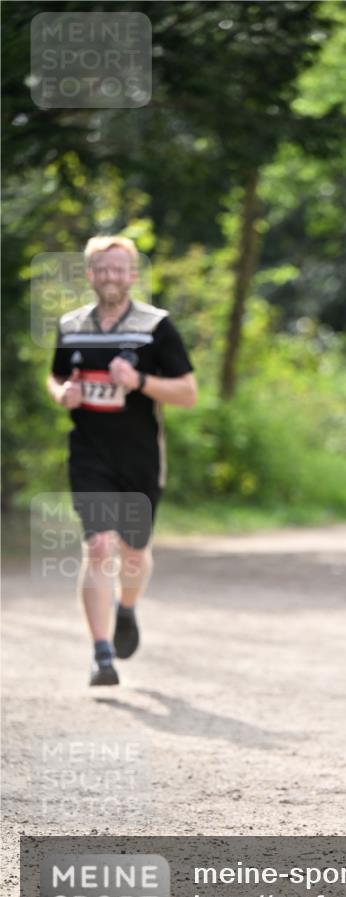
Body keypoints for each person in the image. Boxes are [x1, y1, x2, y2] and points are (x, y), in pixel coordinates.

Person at [47, 236, 197, 686]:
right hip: (89, 454)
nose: (110, 276)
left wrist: (140, 380)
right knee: (97, 546)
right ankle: (102, 653)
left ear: (133, 275)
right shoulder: (71, 325)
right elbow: (56, 374)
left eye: (119, 268)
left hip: (140, 458)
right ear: (90, 275)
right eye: (101, 268)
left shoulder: (156, 326)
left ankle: (126, 609)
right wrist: (62, 394)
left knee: (134, 554)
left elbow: (188, 393)